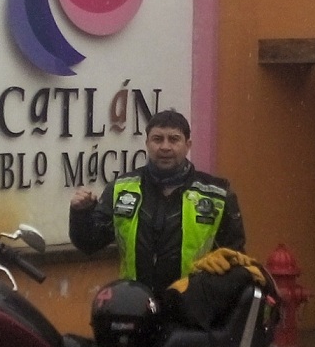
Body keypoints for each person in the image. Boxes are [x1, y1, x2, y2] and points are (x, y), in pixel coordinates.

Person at [69, 109, 246, 296]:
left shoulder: (217, 195)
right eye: (157, 139)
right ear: (147, 143)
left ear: (188, 145)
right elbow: (88, 243)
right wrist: (81, 213)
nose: (165, 147)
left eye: (174, 139)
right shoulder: (121, 189)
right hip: (135, 304)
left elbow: (234, 259)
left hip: (192, 307)